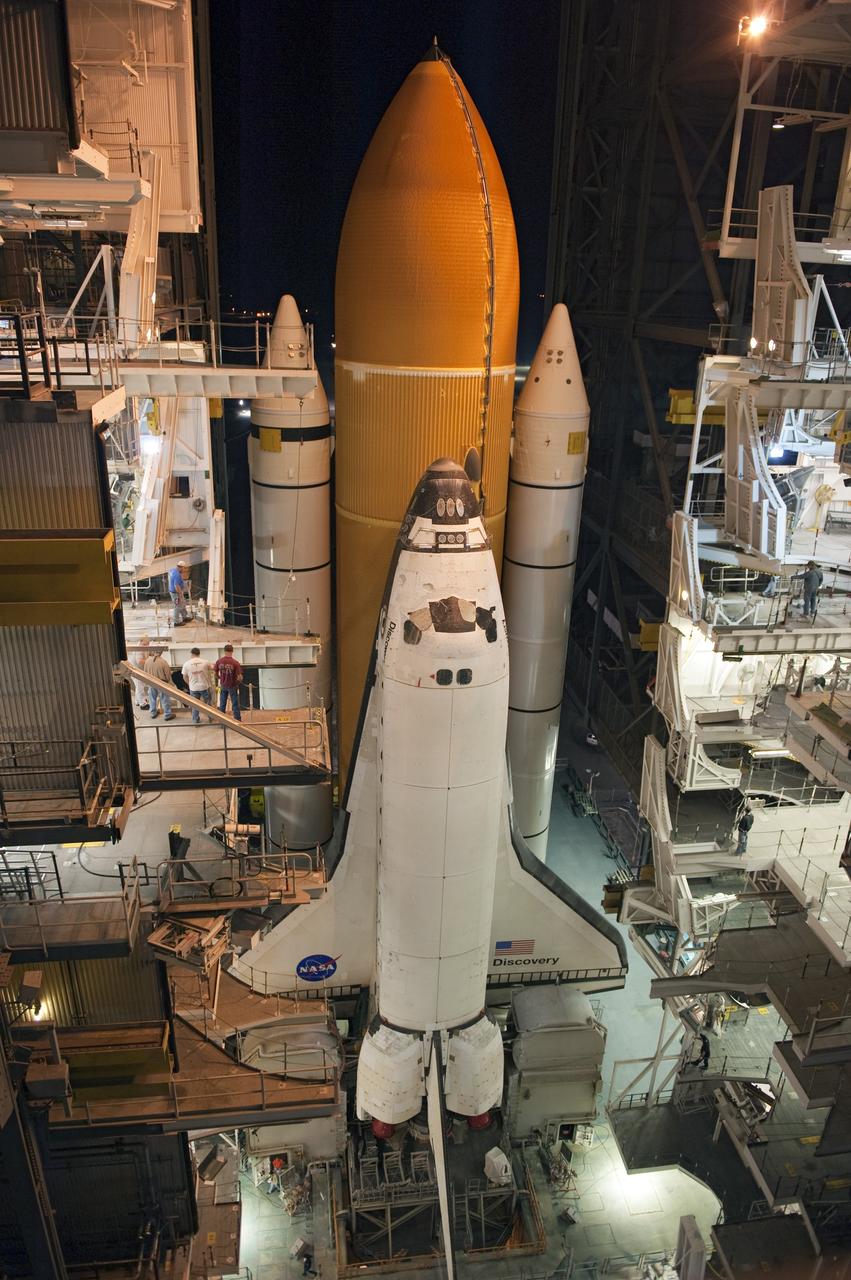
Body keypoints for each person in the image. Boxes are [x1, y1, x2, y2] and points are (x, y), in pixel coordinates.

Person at [181, 647, 215, 725]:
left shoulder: (186, 664)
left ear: (191, 654)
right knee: (208, 703)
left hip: (193, 688)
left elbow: (184, 677)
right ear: (199, 654)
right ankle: (210, 718)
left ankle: (195, 721)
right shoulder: (205, 662)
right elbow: (213, 668)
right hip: (204, 686)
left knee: (195, 705)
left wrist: (189, 684)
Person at [144, 648, 175, 721]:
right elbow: (168, 675)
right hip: (162, 683)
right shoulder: (163, 662)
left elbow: (145, 672)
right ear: (161, 653)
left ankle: (153, 713)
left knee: (152, 698)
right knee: (165, 699)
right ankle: (167, 714)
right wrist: (169, 683)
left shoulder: (147, 661)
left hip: (151, 682)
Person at [214, 644, 243, 720]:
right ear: (232, 651)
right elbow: (240, 677)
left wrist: (220, 678)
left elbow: (215, 674)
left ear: (224, 651)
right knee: (235, 704)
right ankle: (237, 720)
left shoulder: (219, 661)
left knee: (222, 704)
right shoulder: (235, 663)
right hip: (232, 685)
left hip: (223, 685)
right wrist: (237, 682)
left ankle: (222, 720)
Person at [168, 561, 190, 626]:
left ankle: (184, 617)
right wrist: (180, 594)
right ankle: (176, 622)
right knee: (177, 606)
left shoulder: (172, 570)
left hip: (174, 591)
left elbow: (170, 576)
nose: (184, 570)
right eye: (184, 568)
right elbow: (176, 586)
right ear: (181, 567)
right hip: (176, 593)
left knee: (182, 604)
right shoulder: (177, 574)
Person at [133, 634, 151, 711]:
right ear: (141, 642)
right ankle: (142, 704)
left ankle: (137, 701)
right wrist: (149, 661)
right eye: (146, 644)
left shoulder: (142, 646)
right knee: (140, 687)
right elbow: (140, 661)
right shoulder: (139, 649)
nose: (147, 645)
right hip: (137, 671)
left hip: (138, 670)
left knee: (138, 687)